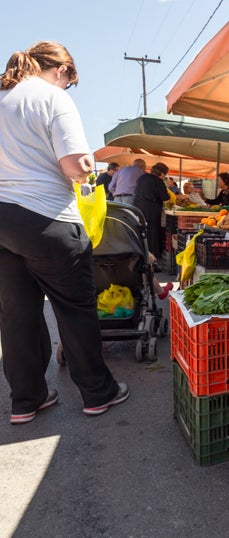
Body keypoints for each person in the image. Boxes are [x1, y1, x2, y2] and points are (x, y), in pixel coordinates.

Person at [0, 41, 128, 423]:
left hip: (2, 219)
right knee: (74, 309)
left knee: (16, 314)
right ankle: (97, 393)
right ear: (61, 70)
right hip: (47, 216)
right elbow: (75, 164)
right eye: (69, 81)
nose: (68, 87)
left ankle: (26, 401)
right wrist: (87, 167)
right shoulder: (51, 98)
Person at [133, 162, 170, 259]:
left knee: (142, 231)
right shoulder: (158, 181)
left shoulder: (142, 177)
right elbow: (165, 198)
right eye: (164, 175)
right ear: (162, 173)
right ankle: (153, 257)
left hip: (138, 208)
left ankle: (142, 254)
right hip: (151, 209)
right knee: (153, 233)